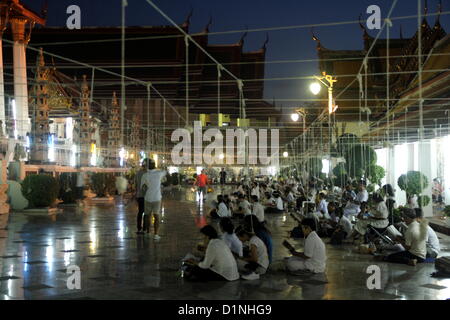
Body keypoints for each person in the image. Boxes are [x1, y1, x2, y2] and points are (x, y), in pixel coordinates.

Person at [140, 159, 166, 240]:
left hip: (148, 198)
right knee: (156, 216)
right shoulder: (159, 173)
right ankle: (156, 234)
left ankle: (148, 232)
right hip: (157, 198)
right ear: (155, 165)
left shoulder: (145, 175)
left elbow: (142, 187)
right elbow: (165, 172)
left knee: (147, 216)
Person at [135, 159, 149, 234]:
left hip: (139, 195)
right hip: (147, 196)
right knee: (146, 212)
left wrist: (136, 193)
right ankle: (144, 228)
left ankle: (139, 228)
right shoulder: (148, 174)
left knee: (140, 212)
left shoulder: (138, 173)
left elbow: (135, 184)